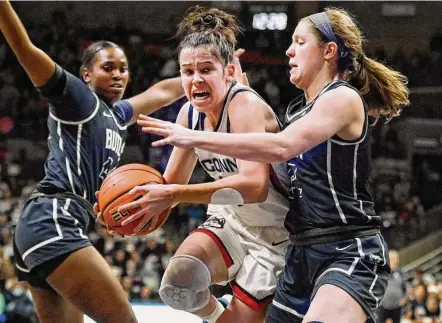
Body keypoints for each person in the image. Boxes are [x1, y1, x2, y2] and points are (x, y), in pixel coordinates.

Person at [138, 7, 410, 323]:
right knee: (181, 282)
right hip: (300, 247)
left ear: (328, 51)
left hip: (346, 244)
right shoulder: (297, 111)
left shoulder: (342, 98)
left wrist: (195, 137)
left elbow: (281, 148)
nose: (288, 50)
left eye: (299, 42)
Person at [0, 1, 184, 322]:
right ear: (86, 74)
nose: (118, 75)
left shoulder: (119, 114)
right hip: (53, 221)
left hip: (52, 226)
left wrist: (212, 77)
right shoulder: (77, 97)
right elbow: (24, 47)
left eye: (123, 68)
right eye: (107, 67)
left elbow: (162, 91)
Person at [117, 7, 290, 323]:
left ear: (228, 71)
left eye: (205, 69)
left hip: (277, 234)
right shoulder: (189, 115)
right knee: (178, 284)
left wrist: (175, 194)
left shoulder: (245, 105)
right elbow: (168, 189)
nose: (195, 78)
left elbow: (254, 187)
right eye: (187, 71)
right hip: (232, 220)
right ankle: (221, 315)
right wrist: (128, 210)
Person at [378, 250, 408, 323]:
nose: (396, 261)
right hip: (382, 306)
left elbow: (406, 287)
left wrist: (404, 298)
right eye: (393, 259)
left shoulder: (400, 272)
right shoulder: (381, 272)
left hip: (397, 306)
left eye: (396, 259)